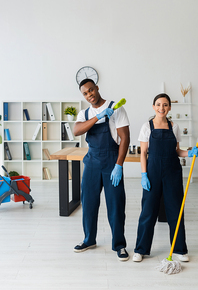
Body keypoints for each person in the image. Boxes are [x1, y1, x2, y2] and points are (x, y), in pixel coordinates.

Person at [133, 93, 198, 262]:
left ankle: (179, 249)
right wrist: (143, 175)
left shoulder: (174, 127)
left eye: (165, 105)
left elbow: (177, 151)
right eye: (158, 104)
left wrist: (189, 153)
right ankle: (140, 249)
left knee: (176, 211)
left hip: (172, 173)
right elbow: (143, 153)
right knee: (148, 211)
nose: (162, 108)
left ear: (169, 107)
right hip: (152, 173)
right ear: (154, 107)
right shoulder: (147, 127)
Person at [73, 79, 130, 261]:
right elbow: (77, 130)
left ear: (97, 88)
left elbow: (125, 138)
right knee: (88, 203)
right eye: (85, 93)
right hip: (91, 162)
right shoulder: (85, 113)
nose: (89, 94)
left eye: (91, 90)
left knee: (116, 205)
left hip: (111, 161)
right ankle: (89, 239)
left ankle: (119, 245)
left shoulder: (116, 108)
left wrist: (119, 165)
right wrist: (98, 117)